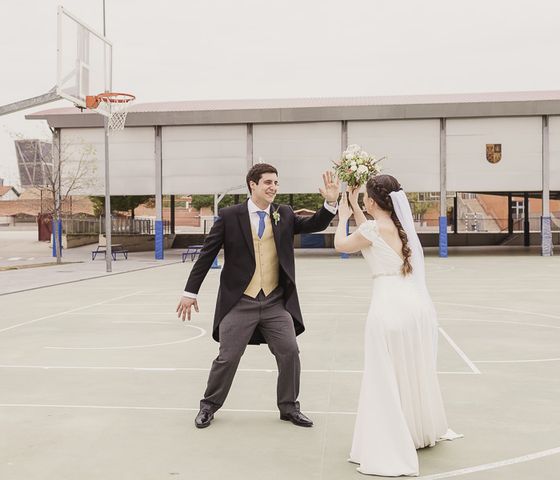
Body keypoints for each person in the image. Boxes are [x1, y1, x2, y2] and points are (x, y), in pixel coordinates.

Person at [177, 163, 339, 428]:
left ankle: (289, 407)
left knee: (290, 352)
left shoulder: (283, 213)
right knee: (227, 357)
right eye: (268, 183)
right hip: (240, 301)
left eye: (276, 183)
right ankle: (208, 406)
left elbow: (314, 224)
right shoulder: (230, 216)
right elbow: (206, 255)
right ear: (253, 184)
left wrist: (330, 203)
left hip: (276, 301)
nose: (273, 187)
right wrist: (189, 292)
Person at [334, 174, 461, 477]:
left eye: (364, 196)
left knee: (383, 373)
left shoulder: (371, 229)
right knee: (409, 367)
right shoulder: (399, 226)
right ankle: (417, 429)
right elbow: (371, 230)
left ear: (374, 201)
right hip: (411, 306)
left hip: (387, 306)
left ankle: (390, 439)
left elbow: (343, 244)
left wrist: (343, 218)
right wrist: (354, 204)